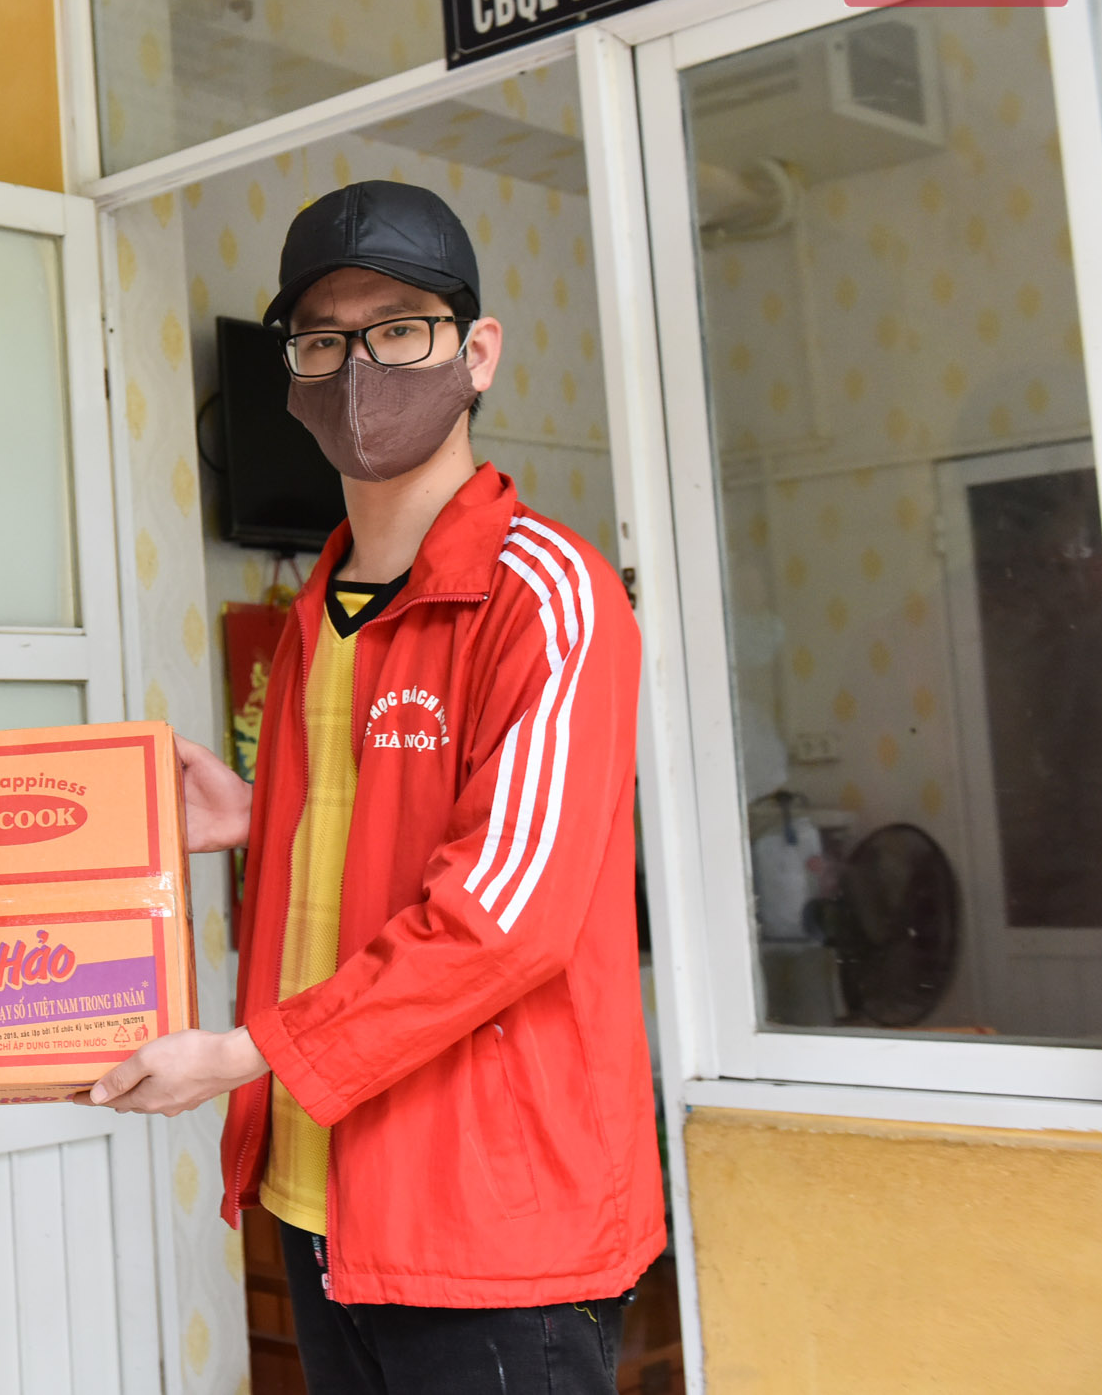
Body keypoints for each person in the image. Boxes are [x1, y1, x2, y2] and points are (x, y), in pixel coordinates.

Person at [87, 181, 663, 1393]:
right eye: (323, 341)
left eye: (399, 330)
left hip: (493, 1228)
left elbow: (500, 920)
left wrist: (241, 1054)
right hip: (322, 1202)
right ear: (292, 380)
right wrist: (269, 821)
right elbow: (405, 825)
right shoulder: (323, 608)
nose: (359, 370)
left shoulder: (545, 595)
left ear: (476, 353)